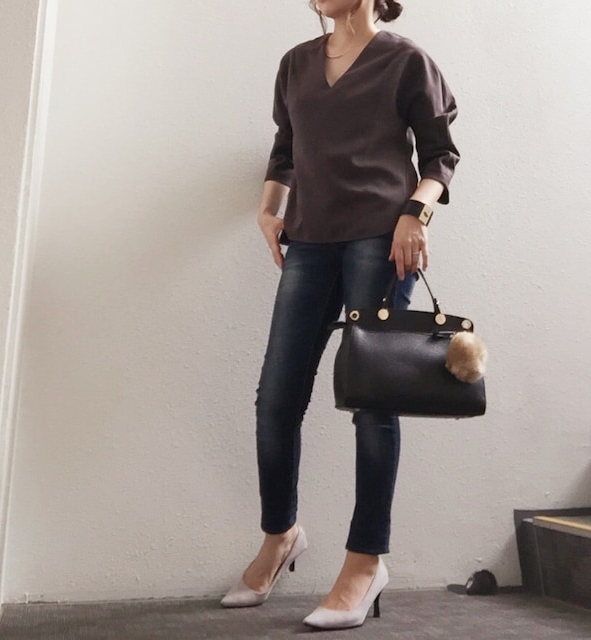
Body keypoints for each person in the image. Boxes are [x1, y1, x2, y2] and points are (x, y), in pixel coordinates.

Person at [221, 0, 459, 630]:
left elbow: (440, 156)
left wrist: (416, 214)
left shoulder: (407, 61)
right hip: (308, 241)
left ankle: (365, 561)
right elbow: (286, 149)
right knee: (276, 399)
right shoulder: (295, 64)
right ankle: (281, 536)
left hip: (380, 240)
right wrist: (269, 210)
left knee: (373, 403)